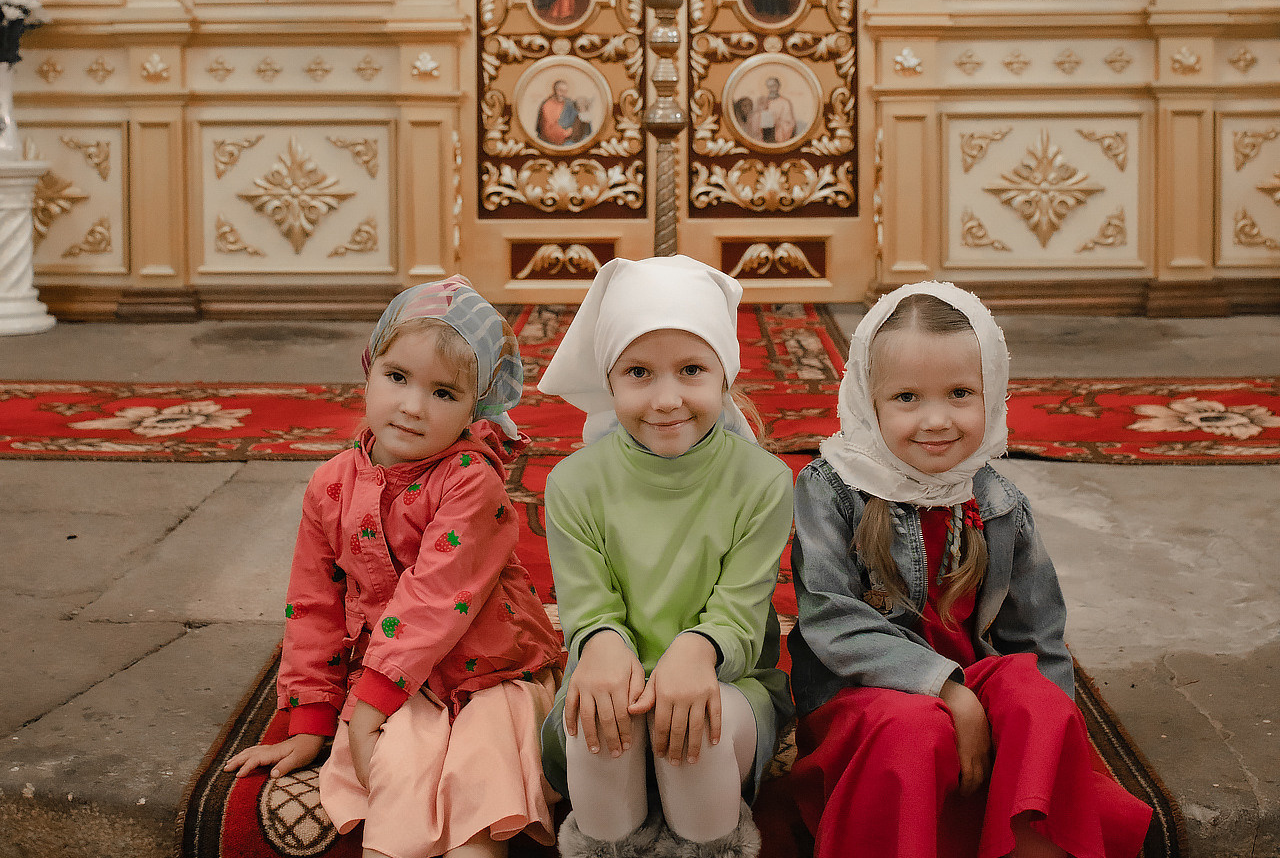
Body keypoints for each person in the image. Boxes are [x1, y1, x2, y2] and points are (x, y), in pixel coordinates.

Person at [787, 281, 1153, 858]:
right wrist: (948, 689)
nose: (936, 420)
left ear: (994, 393)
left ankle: (1029, 840)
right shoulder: (832, 490)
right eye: (907, 397)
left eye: (960, 393)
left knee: (1032, 694)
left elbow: (1037, 634)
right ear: (867, 401)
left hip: (972, 683)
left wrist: (1049, 738)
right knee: (913, 728)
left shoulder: (998, 500)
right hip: (867, 697)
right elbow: (831, 620)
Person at [223, 277, 563, 858]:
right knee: (398, 788)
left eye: (443, 392)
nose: (412, 406)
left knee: (480, 790)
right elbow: (313, 605)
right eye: (398, 377)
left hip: (492, 670)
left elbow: (436, 598)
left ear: (477, 407)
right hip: (400, 681)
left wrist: (371, 701)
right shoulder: (331, 484)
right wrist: (311, 718)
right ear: (369, 370)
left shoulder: (471, 482)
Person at [537, 256, 794, 858]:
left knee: (697, 729)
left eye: (691, 370)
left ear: (725, 376)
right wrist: (601, 646)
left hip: (727, 686)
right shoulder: (573, 484)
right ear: (610, 381)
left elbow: (738, 613)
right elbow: (588, 608)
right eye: (639, 373)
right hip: (612, 680)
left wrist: (696, 654)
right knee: (602, 725)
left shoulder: (764, 481)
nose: (667, 398)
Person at [536, 79, 592, 147]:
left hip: (570, 136)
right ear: (555, 90)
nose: (563, 94)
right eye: (561, 91)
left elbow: (578, 115)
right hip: (554, 140)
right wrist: (565, 133)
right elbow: (547, 128)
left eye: (565, 91)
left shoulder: (568, 103)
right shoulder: (548, 105)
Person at [749, 76, 797, 145]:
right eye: (769, 86)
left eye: (774, 85)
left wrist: (776, 122)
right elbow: (755, 117)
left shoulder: (785, 102)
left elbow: (789, 122)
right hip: (763, 134)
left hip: (778, 135)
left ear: (778, 86)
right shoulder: (763, 101)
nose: (772, 88)